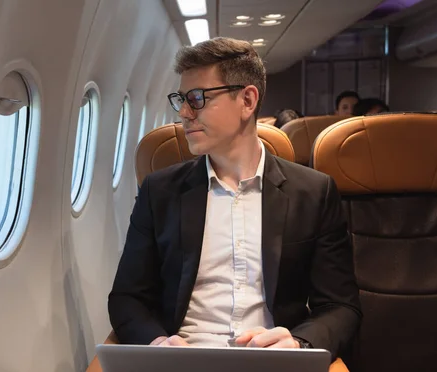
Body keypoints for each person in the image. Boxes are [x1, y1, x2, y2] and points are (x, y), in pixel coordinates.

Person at [108, 37, 361, 362]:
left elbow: (341, 306)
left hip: (271, 361)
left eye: (197, 98)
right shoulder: (160, 192)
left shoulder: (312, 192)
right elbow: (127, 298)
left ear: (247, 100)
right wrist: (158, 345)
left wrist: (299, 343)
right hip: (183, 360)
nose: (184, 112)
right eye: (181, 99)